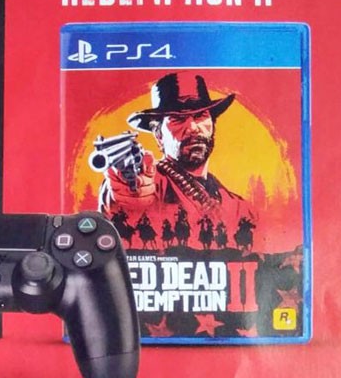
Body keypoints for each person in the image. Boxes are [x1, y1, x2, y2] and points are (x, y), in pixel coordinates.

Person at [99, 72, 255, 249]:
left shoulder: (238, 205)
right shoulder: (150, 181)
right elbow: (125, 198)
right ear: (158, 135)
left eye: (200, 115)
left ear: (213, 125)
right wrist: (129, 194)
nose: (193, 128)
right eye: (178, 119)